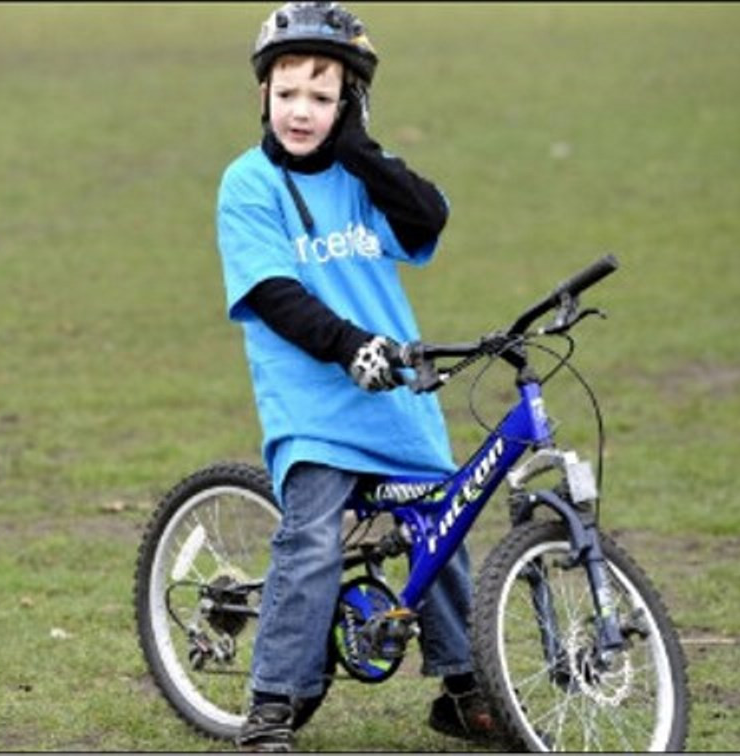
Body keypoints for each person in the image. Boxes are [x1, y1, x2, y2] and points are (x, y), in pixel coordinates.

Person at [214, 2, 498, 752]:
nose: (300, 110)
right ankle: (272, 703)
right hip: (312, 400)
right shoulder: (247, 184)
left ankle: (465, 686)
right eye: (286, 93)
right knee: (311, 539)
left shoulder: (363, 173)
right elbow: (275, 295)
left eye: (321, 94)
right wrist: (347, 347)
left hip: (395, 400)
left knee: (444, 526)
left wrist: (363, 150)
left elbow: (426, 220)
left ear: (349, 102)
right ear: (263, 96)